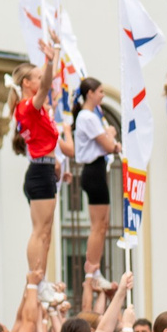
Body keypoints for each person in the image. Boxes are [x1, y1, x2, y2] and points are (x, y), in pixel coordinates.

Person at [9, 65, 62, 285]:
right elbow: (48, 84)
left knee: (46, 232)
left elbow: (51, 79)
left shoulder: (34, 109)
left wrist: (55, 50)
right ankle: (35, 279)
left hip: (45, 169)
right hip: (40, 171)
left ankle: (42, 279)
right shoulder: (27, 107)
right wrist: (49, 61)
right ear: (26, 83)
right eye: (37, 78)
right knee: (39, 230)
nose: (42, 81)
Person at [67, 78, 117, 303]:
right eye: (100, 91)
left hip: (96, 170)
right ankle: (93, 269)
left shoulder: (88, 116)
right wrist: (112, 137)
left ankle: (95, 269)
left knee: (103, 223)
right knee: (98, 225)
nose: (102, 96)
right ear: (89, 94)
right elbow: (107, 145)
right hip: (93, 171)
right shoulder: (87, 117)